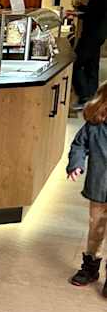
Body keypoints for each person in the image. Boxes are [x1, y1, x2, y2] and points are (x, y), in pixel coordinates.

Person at [67, 80, 107, 293]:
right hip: (99, 188)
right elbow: (79, 145)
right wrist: (76, 164)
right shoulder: (95, 127)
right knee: (96, 229)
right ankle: (91, 267)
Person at [72, 0, 107, 108]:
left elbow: (93, 15)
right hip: (98, 35)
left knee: (75, 63)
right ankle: (92, 98)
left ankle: (84, 96)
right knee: (91, 66)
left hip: (91, 35)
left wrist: (78, 13)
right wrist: (81, 7)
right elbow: (94, 11)